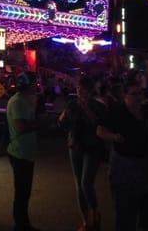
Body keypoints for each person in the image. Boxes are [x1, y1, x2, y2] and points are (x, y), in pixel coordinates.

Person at [97, 75, 148, 231]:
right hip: (124, 168)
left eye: (140, 93)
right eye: (134, 94)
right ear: (124, 96)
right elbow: (100, 130)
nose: (138, 97)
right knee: (125, 213)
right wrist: (114, 137)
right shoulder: (117, 112)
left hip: (147, 167)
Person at [58, 75, 107, 231]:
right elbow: (63, 125)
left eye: (84, 90)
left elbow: (99, 125)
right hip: (75, 147)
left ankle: (95, 213)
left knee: (86, 183)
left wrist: (86, 108)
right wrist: (62, 118)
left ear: (90, 91)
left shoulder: (98, 105)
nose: (81, 92)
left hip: (92, 148)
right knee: (79, 184)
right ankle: (86, 221)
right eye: (79, 89)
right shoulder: (72, 104)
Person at [6, 71, 41, 231]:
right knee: (22, 191)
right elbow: (21, 127)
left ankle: (23, 223)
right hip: (19, 151)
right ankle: (20, 225)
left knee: (24, 191)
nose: (37, 85)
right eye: (34, 82)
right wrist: (40, 124)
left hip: (26, 151)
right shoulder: (17, 102)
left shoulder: (25, 100)